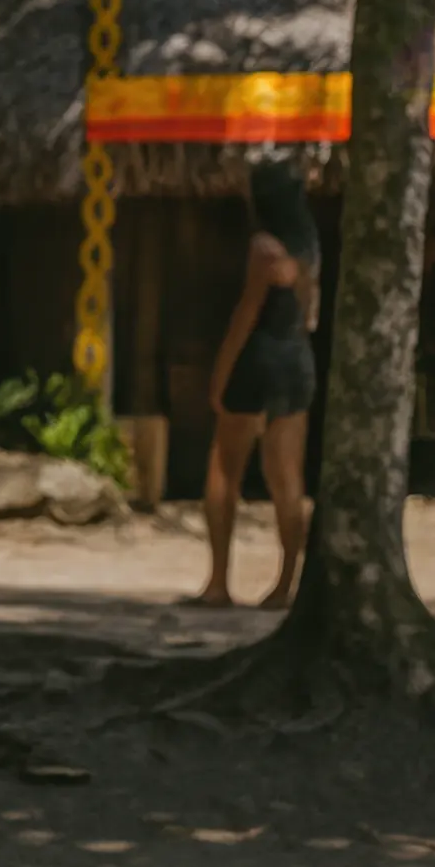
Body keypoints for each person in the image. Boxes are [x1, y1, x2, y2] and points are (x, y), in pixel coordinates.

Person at [196, 159, 319, 609]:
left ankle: (218, 583)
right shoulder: (309, 247)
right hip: (297, 357)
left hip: (258, 358)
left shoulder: (264, 248)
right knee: (287, 479)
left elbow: (246, 315)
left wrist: (221, 374)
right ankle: (286, 585)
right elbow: (310, 315)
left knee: (224, 469)